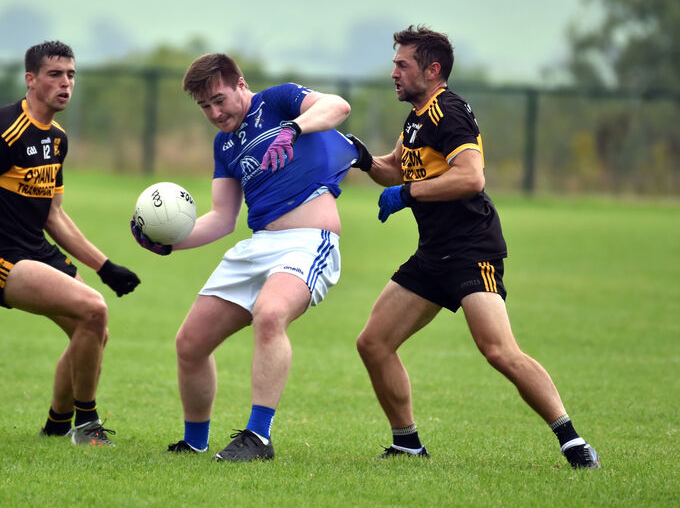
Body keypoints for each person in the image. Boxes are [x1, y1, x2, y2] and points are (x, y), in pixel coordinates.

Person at [347, 26, 600, 468]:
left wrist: (408, 194)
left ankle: (573, 442)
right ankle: (407, 443)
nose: (394, 73)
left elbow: (471, 176)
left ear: (432, 69)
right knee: (373, 342)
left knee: (498, 350)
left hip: (471, 249)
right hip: (433, 253)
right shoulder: (417, 118)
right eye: (394, 64)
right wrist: (361, 157)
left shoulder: (450, 112)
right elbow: (393, 169)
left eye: (402, 65)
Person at [131, 53, 357, 462]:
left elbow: (338, 106)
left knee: (270, 315)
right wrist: (167, 243)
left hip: (308, 241)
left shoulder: (280, 100)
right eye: (205, 107)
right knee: (190, 343)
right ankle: (195, 440)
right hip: (257, 247)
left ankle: (259, 438)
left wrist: (293, 128)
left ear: (240, 84)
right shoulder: (225, 144)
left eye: (220, 99)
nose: (215, 113)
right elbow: (221, 218)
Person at [0, 40, 140, 446]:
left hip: (36, 249)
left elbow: (54, 215)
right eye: (55, 75)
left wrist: (105, 267)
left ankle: (56, 424)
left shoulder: (57, 139)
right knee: (92, 310)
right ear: (30, 80)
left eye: (70, 75)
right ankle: (87, 425)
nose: (65, 83)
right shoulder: (1, 133)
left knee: (93, 331)